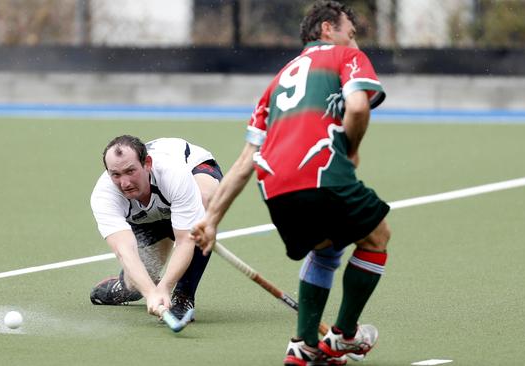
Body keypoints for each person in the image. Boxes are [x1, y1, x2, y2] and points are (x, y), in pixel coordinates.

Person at [191, 1, 390, 364]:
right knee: (377, 237)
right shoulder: (343, 56)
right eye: (351, 32)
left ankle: (303, 345)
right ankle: (343, 336)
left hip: (275, 189)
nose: (355, 42)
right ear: (328, 29)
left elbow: (245, 160)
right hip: (321, 172)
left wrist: (211, 220)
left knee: (326, 249)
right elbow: (359, 107)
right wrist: (351, 149)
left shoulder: (276, 82)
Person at [89, 136, 222, 321]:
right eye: (116, 175)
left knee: (204, 206)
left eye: (130, 171)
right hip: (152, 215)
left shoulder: (174, 174)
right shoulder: (104, 196)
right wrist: (151, 292)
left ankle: (183, 297)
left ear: (147, 164)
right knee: (136, 285)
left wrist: (165, 287)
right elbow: (124, 250)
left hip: (194, 170)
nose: (125, 183)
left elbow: (185, 241)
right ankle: (126, 287)